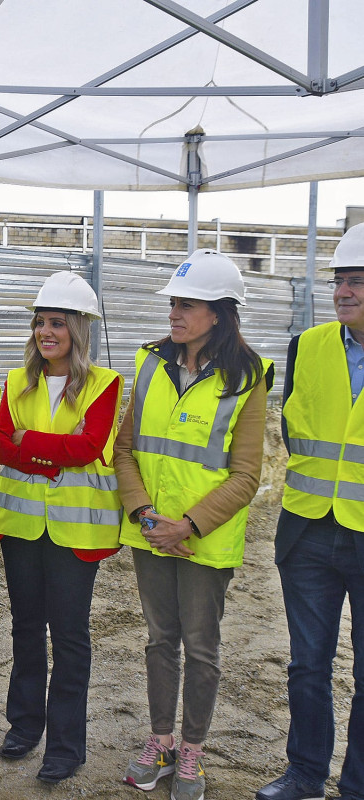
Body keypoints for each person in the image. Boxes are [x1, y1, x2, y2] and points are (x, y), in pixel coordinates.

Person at [114, 249, 273, 800]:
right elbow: (126, 449)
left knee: (201, 648)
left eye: (188, 304)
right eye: (174, 303)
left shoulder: (248, 377)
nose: (175, 313)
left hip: (202, 539)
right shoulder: (149, 362)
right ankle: (160, 743)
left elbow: (247, 474)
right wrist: (144, 514)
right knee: (160, 641)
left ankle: (194, 754)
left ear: (220, 313)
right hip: (152, 531)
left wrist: (188, 524)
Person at [0, 271, 122, 784]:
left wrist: (31, 447)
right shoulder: (16, 381)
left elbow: (88, 447)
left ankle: (66, 746)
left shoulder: (104, 384)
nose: (47, 332)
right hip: (22, 527)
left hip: (75, 535)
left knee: (68, 637)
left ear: (79, 329)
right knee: (25, 629)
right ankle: (24, 725)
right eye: (41, 322)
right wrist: (48, 453)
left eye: (58, 323)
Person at [256, 222, 364, 800]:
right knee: (308, 666)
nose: (343, 291)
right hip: (308, 531)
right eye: (340, 280)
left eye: (358, 282)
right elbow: (297, 432)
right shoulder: (309, 346)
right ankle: (304, 774)